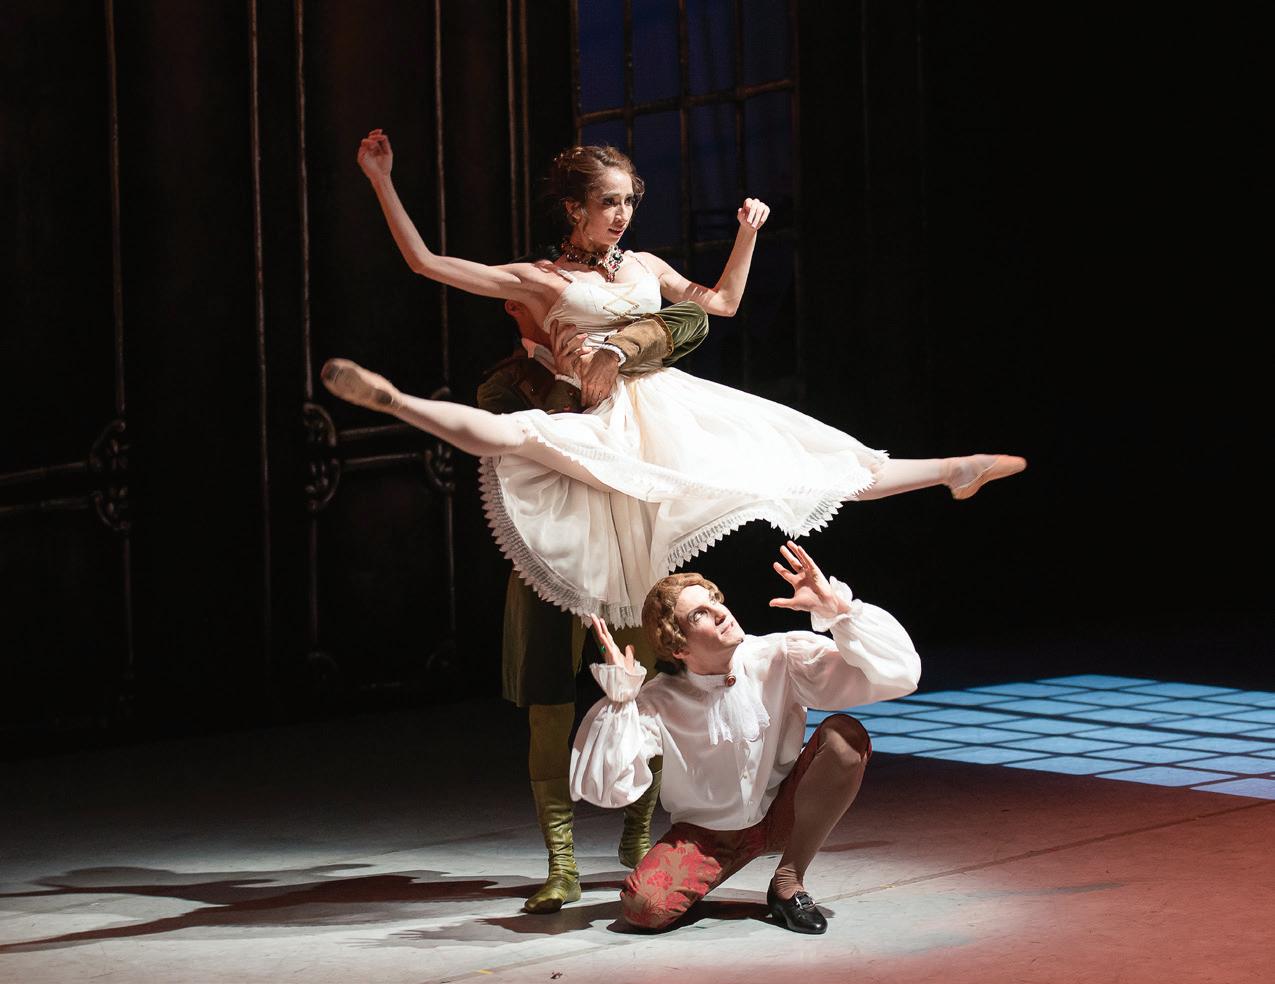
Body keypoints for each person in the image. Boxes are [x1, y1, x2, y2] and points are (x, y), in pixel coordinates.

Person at [322, 130, 1026, 629]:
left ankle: (952, 469)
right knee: (515, 437)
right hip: (601, 418)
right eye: (608, 202)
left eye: (628, 201)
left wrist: (747, 232)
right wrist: (381, 179)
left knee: (804, 460)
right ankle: (395, 399)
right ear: (574, 208)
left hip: (669, 408)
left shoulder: (645, 266)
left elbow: (720, 304)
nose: (621, 215)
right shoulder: (540, 280)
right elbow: (427, 263)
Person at [479, 295, 711, 913]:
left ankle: (639, 836)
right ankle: (562, 866)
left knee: (646, 696)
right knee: (548, 707)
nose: (562, 309)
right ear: (516, 306)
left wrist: (618, 350)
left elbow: (695, 319)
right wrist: (564, 379)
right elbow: (533, 448)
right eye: (545, 300)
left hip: (623, 556)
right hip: (550, 566)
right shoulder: (504, 385)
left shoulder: (620, 364)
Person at [571, 541, 920, 934]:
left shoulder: (779, 656)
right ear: (678, 646)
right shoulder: (659, 700)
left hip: (783, 811)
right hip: (707, 837)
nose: (720, 612)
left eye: (714, 600)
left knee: (845, 737)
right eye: (700, 614)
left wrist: (840, 611)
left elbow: (899, 675)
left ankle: (788, 881)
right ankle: (707, 875)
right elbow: (611, 786)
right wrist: (621, 701)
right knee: (644, 908)